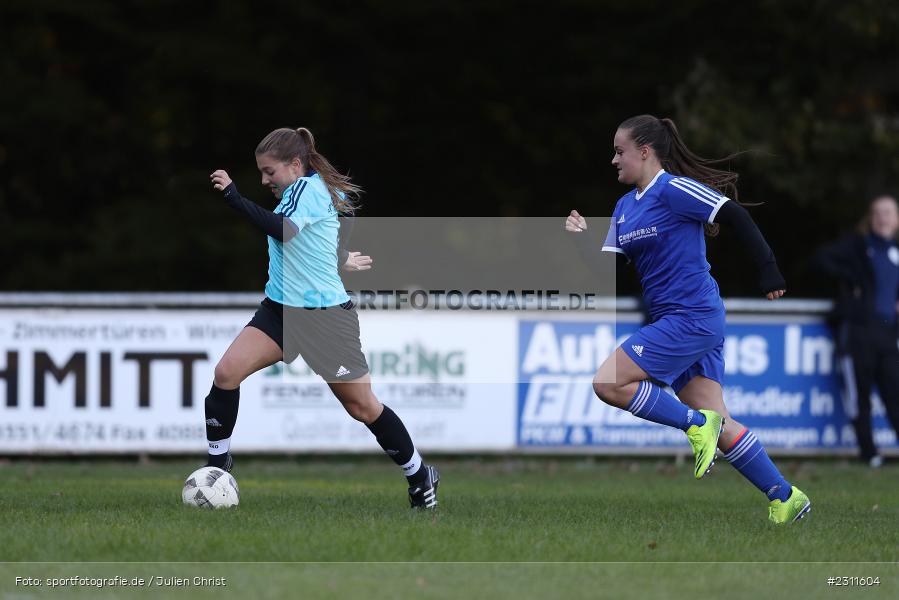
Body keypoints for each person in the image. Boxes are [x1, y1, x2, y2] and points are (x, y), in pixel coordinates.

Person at [566, 115, 810, 524]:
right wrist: (580, 241)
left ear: (645, 152)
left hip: (692, 316)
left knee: (608, 383)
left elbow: (734, 215)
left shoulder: (673, 189)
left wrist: (768, 269)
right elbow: (606, 271)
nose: (613, 160)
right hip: (682, 320)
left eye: (619, 151)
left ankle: (696, 425)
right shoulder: (625, 208)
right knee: (724, 422)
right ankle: (785, 496)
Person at [206, 127, 439, 509]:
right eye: (261, 173)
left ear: (295, 165)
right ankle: (218, 469)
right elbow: (337, 218)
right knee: (226, 373)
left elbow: (283, 231)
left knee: (362, 406)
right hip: (280, 310)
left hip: (325, 319)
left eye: (270, 172)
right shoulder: (312, 190)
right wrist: (340, 255)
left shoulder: (304, 190)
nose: (265, 180)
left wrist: (234, 197)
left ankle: (418, 473)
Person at [813, 195, 899, 468]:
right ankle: (869, 453)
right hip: (859, 332)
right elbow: (821, 259)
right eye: (878, 212)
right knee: (859, 397)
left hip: (888, 335)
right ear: (871, 218)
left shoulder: (896, 251)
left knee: (893, 393)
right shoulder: (858, 246)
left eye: (888, 212)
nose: (883, 218)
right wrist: (850, 281)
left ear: (896, 219)